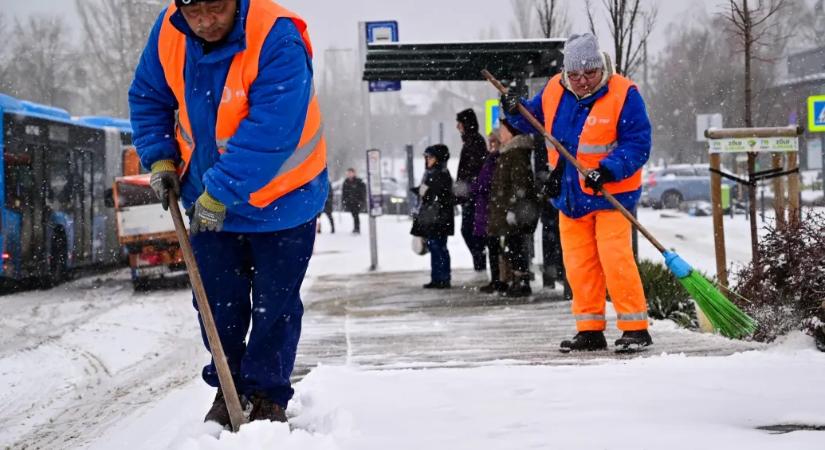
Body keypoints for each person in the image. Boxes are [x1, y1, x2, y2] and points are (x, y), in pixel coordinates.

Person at [129, 0, 328, 426]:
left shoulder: (276, 35)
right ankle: (230, 386)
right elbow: (149, 97)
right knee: (217, 303)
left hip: (284, 201)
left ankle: (269, 394)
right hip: (206, 201)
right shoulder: (169, 29)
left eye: (216, 9)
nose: (205, 22)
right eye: (195, 11)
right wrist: (160, 157)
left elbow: (271, 131)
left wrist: (220, 191)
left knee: (275, 305)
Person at [501, 33, 653, 352]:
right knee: (579, 264)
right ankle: (589, 329)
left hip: (611, 196)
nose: (582, 81)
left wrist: (609, 169)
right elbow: (531, 120)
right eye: (575, 74)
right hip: (570, 195)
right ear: (567, 73)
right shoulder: (556, 88)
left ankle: (635, 327)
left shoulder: (624, 93)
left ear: (601, 67)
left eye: (589, 73)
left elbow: (638, 143)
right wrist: (513, 108)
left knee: (615, 259)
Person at [486, 119, 539, 298]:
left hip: (515, 211)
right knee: (513, 245)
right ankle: (517, 280)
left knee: (516, 245)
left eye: (503, 129)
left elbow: (520, 184)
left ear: (511, 132)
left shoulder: (515, 154)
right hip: (509, 209)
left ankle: (521, 281)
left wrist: (513, 208)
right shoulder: (509, 152)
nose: (500, 133)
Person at [410, 145, 455, 289]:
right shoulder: (432, 173)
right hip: (434, 217)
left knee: (438, 246)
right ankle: (437, 277)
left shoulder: (440, 173)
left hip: (439, 218)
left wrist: (424, 192)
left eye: (430, 157)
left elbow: (438, 194)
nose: (427, 160)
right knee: (434, 246)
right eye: (426, 157)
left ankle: (443, 278)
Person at [470, 131, 506, 293]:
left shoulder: (496, 160)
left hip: (492, 209)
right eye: (490, 142)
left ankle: (499, 279)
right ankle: (497, 279)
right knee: (493, 246)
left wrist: (475, 187)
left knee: (495, 246)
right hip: (488, 209)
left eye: (494, 141)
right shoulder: (492, 159)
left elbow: (485, 183)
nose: (491, 145)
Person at [454, 109, 489, 272]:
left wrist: (466, 191)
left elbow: (473, 171)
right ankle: (479, 260)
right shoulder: (471, 141)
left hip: (474, 196)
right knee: (471, 231)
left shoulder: (474, 142)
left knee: (471, 230)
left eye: (459, 123)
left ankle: (480, 261)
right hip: (472, 195)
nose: (457, 127)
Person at [341, 168, 366, 234]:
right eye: (348, 173)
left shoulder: (359, 181)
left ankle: (357, 228)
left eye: (351, 173)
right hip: (350, 202)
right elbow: (344, 193)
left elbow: (363, 192)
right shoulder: (346, 182)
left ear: (354, 173)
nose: (349, 174)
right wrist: (344, 201)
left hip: (357, 202)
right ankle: (356, 228)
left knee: (356, 215)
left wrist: (361, 200)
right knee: (354, 215)